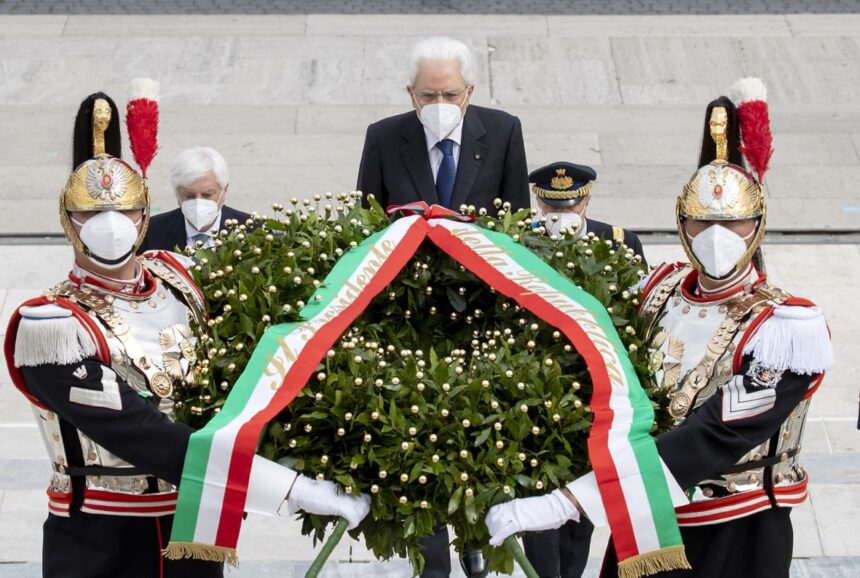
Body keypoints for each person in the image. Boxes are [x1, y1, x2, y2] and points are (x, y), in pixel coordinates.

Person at [3, 89, 369, 578]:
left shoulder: (177, 276)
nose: (111, 226)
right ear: (69, 221)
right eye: (92, 215)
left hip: (194, 526)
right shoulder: (51, 327)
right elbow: (142, 433)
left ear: (146, 215)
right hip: (105, 538)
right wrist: (291, 489)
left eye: (126, 212)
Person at [484, 79, 832, 577]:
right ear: (680, 222)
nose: (715, 237)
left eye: (733, 223)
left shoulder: (787, 330)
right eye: (699, 222)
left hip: (736, 529)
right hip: (645, 516)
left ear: (757, 225)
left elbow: (713, 436)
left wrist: (570, 502)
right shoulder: (660, 290)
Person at [357, 36, 530, 214]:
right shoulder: (383, 138)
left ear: (469, 92)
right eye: (428, 95)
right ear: (411, 94)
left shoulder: (503, 132)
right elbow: (367, 219)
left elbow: (517, 217)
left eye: (451, 95)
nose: (440, 104)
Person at [138, 146, 250, 253]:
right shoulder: (150, 232)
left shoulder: (251, 230)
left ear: (224, 190)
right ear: (177, 193)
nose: (198, 203)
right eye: (189, 196)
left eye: (207, 195)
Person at [530, 161, 646, 263]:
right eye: (552, 206)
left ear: (587, 201)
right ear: (539, 203)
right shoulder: (524, 239)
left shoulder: (621, 242)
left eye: (572, 206)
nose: (563, 212)